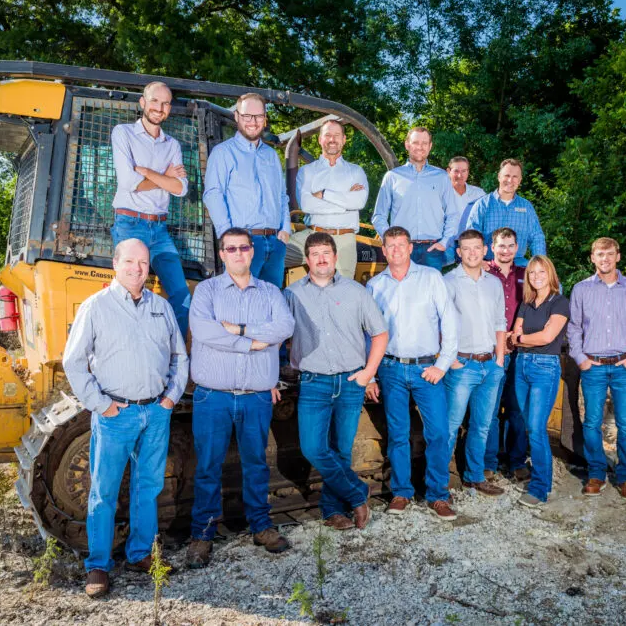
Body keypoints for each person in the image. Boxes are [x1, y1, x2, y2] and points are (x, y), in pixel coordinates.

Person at [62, 238, 189, 599]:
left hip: (155, 412)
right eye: (130, 262)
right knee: (103, 491)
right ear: (115, 264)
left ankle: (139, 554)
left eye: (143, 263)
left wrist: (170, 398)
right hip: (115, 414)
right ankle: (98, 564)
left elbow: (180, 356)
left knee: (147, 487)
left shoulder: (161, 308)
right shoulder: (96, 307)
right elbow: (73, 361)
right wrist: (101, 405)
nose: (137, 269)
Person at [186, 228, 295, 568]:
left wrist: (238, 329)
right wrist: (253, 342)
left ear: (251, 252)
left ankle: (261, 526)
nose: (237, 253)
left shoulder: (270, 292)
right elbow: (204, 331)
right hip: (213, 397)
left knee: (257, 464)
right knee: (207, 467)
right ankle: (202, 535)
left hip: (256, 397)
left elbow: (285, 327)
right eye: (230, 248)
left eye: (243, 248)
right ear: (222, 254)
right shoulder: (207, 291)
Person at [285, 232, 389, 530]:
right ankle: (358, 492)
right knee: (313, 448)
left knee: (341, 450)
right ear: (306, 260)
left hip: (350, 382)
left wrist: (369, 373)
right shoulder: (292, 294)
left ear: (335, 257)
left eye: (326, 253)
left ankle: (332, 510)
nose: (320, 258)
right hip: (314, 382)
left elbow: (380, 334)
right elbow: (277, 333)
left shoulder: (357, 291)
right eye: (315, 253)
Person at [366, 226, 459, 520]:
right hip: (391, 368)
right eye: (390, 245)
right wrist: (369, 374)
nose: (395, 250)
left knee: (439, 433)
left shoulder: (431, 278)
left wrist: (442, 364)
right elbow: (368, 333)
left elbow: (450, 322)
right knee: (397, 434)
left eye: (401, 245)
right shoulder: (375, 285)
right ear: (384, 250)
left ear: (409, 248)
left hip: (426, 368)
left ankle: (438, 495)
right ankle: (402, 492)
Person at [567, 237, 626, 500]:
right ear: (592, 258)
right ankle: (597, 472)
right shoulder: (581, 289)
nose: (604, 259)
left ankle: (625, 475)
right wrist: (580, 358)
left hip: (624, 366)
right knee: (592, 423)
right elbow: (574, 328)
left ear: (618, 257)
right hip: (592, 366)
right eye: (599, 254)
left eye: (609, 254)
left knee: (625, 424)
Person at [110, 81, 192, 336]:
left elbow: (181, 189)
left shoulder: (172, 145)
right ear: (143, 103)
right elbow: (127, 183)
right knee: (129, 295)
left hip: (160, 230)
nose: (160, 107)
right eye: (155, 101)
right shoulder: (123, 133)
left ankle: (170, 358)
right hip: (130, 225)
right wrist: (163, 177)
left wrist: (146, 172)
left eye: (166, 103)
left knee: (182, 297)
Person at [203, 93, 291, 288]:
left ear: (265, 118)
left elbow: (281, 196)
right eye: (247, 116)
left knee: (271, 306)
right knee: (241, 306)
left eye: (258, 116)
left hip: (275, 244)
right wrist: (230, 239)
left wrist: (285, 229)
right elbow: (213, 195)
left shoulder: (271, 155)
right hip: (243, 244)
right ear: (236, 116)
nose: (253, 121)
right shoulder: (223, 153)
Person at [443, 230, 507, 496]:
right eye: (466, 248)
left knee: (482, 425)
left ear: (485, 251)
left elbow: (500, 323)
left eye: (476, 248)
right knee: (450, 426)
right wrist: (452, 361)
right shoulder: (448, 282)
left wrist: (500, 360)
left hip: (490, 364)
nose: (471, 253)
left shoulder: (494, 283)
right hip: (462, 365)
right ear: (459, 252)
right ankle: (438, 483)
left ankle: (474, 476)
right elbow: (439, 325)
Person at [509, 255, 569, 508]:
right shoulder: (527, 303)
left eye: (541, 272)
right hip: (521, 365)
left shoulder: (560, 303)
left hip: (545, 368)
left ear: (550, 274)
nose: (536, 277)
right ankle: (527, 471)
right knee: (523, 422)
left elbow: (547, 337)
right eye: (532, 273)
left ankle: (540, 487)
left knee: (536, 427)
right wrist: (520, 338)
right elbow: (514, 333)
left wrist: (522, 339)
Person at [287, 121, 369, 279]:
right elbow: (306, 204)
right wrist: (345, 205)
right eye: (328, 135)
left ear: (344, 139)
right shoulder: (307, 171)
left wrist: (324, 194)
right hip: (312, 235)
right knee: (272, 254)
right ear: (320, 139)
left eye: (336, 135)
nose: (332, 139)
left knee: (342, 291)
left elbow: (358, 202)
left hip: (344, 239)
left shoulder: (355, 171)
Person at [370, 128, 458, 270]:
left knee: (431, 292)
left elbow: (452, 214)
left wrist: (445, 242)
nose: (420, 147)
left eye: (424, 143)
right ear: (407, 145)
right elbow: (379, 216)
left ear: (430, 146)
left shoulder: (441, 177)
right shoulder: (392, 177)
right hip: (401, 249)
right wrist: (391, 242)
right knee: (401, 292)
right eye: (415, 142)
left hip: (432, 250)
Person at [484, 227, 530, 484]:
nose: (506, 250)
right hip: (491, 352)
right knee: (488, 410)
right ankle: (488, 462)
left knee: (517, 409)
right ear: (493, 247)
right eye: (501, 245)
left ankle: (516, 461)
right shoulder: (483, 273)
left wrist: (519, 334)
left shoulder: (525, 275)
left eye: (510, 245)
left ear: (517, 248)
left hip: (518, 352)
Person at [465, 159, 546, 267]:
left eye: (515, 177)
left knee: (555, 284)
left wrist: (540, 263)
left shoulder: (526, 207)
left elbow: (537, 237)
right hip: (489, 264)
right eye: (506, 175)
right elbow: (471, 237)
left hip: (518, 264)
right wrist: (478, 262)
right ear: (499, 176)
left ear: (520, 180)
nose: (510, 180)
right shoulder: (482, 205)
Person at [444, 156, 484, 263]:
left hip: (471, 244)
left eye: (464, 171)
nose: (460, 175)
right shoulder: (440, 193)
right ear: (448, 171)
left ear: (468, 172)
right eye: (456, 171)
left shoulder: (479, 194)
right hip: (447, 244)